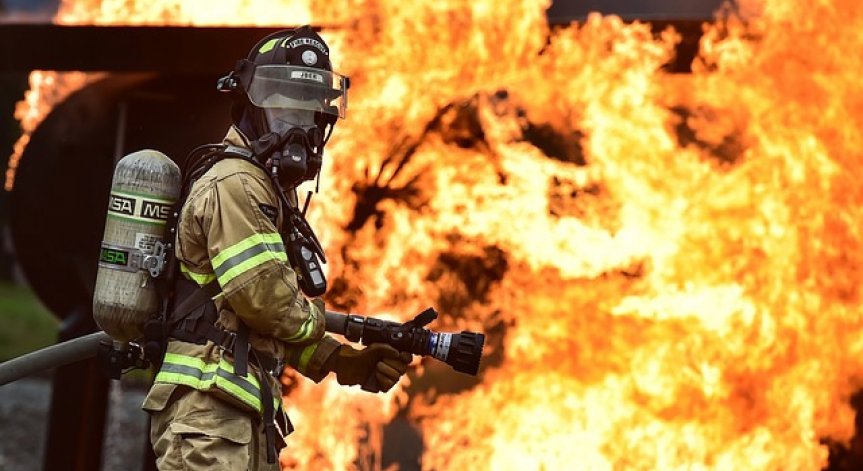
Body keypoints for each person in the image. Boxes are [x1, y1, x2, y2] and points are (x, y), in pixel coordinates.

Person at [141, 26, 412, 470]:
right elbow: (264, 300)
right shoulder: (236, 183)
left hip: (236, 418)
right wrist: (337, 330)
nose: (298, 128)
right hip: (208, 418)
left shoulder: (266, 191)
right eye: (283, 108)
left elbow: (261, 327)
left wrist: (342, 360)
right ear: (251, 107)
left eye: (308, 113)